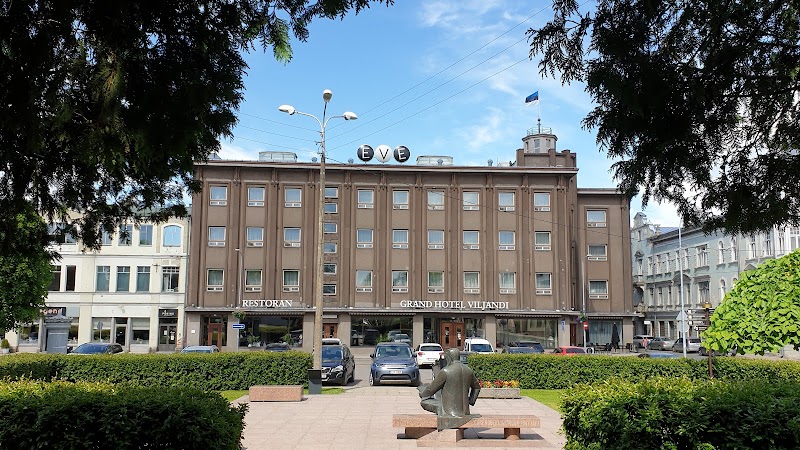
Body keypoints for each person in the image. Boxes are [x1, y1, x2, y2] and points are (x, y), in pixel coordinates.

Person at [418, 347, 482, 431]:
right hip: (465, 412)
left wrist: (422, 393)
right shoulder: (468, 370)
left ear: (449, 358)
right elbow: (477, 387)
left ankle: (445, 416)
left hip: (449, 412)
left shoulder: (446, 371)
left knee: (424, 402)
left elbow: (430, 390)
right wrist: (471, 401)